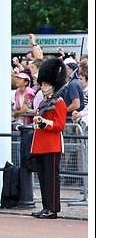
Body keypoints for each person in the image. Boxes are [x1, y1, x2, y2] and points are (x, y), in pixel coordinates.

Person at [30, 58, 69, 219]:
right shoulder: (45, 102)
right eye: (42, 84)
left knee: (52, 179)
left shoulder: (59, 103)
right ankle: (46, 207)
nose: (43, 87)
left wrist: (44, 122)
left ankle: (52, 209)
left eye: (46, 85)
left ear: (54, 85)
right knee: (44, 179)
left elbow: (59, 125)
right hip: (41, 144)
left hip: (52, 146)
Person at [62, 56, 85, 122]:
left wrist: (63, 111)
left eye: (66, 68)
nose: (64, 70)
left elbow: (76, 104)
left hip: (71, 120)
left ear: (71, 69)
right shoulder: (73, 82)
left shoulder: (73, 84)